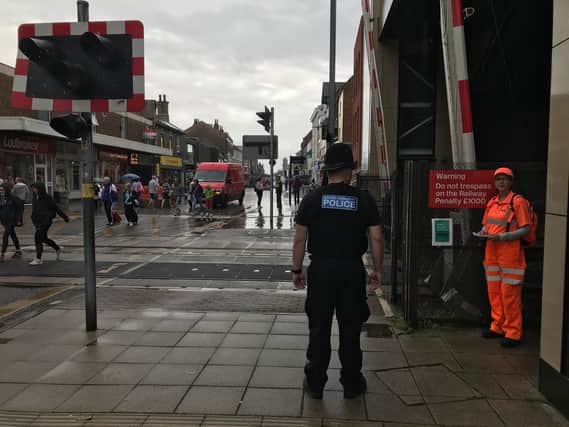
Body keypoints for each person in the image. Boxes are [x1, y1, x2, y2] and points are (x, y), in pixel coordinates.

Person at [292, 143, 384, 400]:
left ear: (327, 169)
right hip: (351, 271)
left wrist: (297, 270)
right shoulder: (363, 200)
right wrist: (377, 269)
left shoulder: (312, 199)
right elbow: (376, 238)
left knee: (319, 328)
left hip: (321, 270)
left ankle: (316, 383)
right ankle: (352, 383)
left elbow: (300, 239)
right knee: (350, 329)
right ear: (349, 170)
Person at [478, 167, 531, 348]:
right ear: (494, 183)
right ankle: (497, 326)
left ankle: (513, 333)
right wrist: (483, 232)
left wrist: (502, 237)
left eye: (505, 179)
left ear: (511, 182)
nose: (501, 182)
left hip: (510, 251)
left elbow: (526, 229)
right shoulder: (492, 202)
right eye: (498, 179)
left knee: (510, 295)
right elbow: (486, 224)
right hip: (492, 249)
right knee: (494, 292)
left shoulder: (518, 202)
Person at [30, 182, 69, 265]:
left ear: (40, 189)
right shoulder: (34, 197)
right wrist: (33, 217)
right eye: (32, 188)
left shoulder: (47, 198)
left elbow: (55, 208)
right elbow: (35, 209)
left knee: (37, 238)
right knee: (43, 238)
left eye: (35, 188)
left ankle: (38, 259)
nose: (33, 190)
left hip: (46, 221)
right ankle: (57, 248)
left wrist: (64, 217)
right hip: (38, 221)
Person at [0, 183, 22, 262]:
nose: (1, 191)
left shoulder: (13, 198)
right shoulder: (2, 198)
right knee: (13, 235)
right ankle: (18, 251)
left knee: (5, 236)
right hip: (4, 220)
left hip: (11, 220)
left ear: (7, 189)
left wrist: (19, 219)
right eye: (0, 189)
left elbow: (20, 208)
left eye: (2, 189)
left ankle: (2, 254)